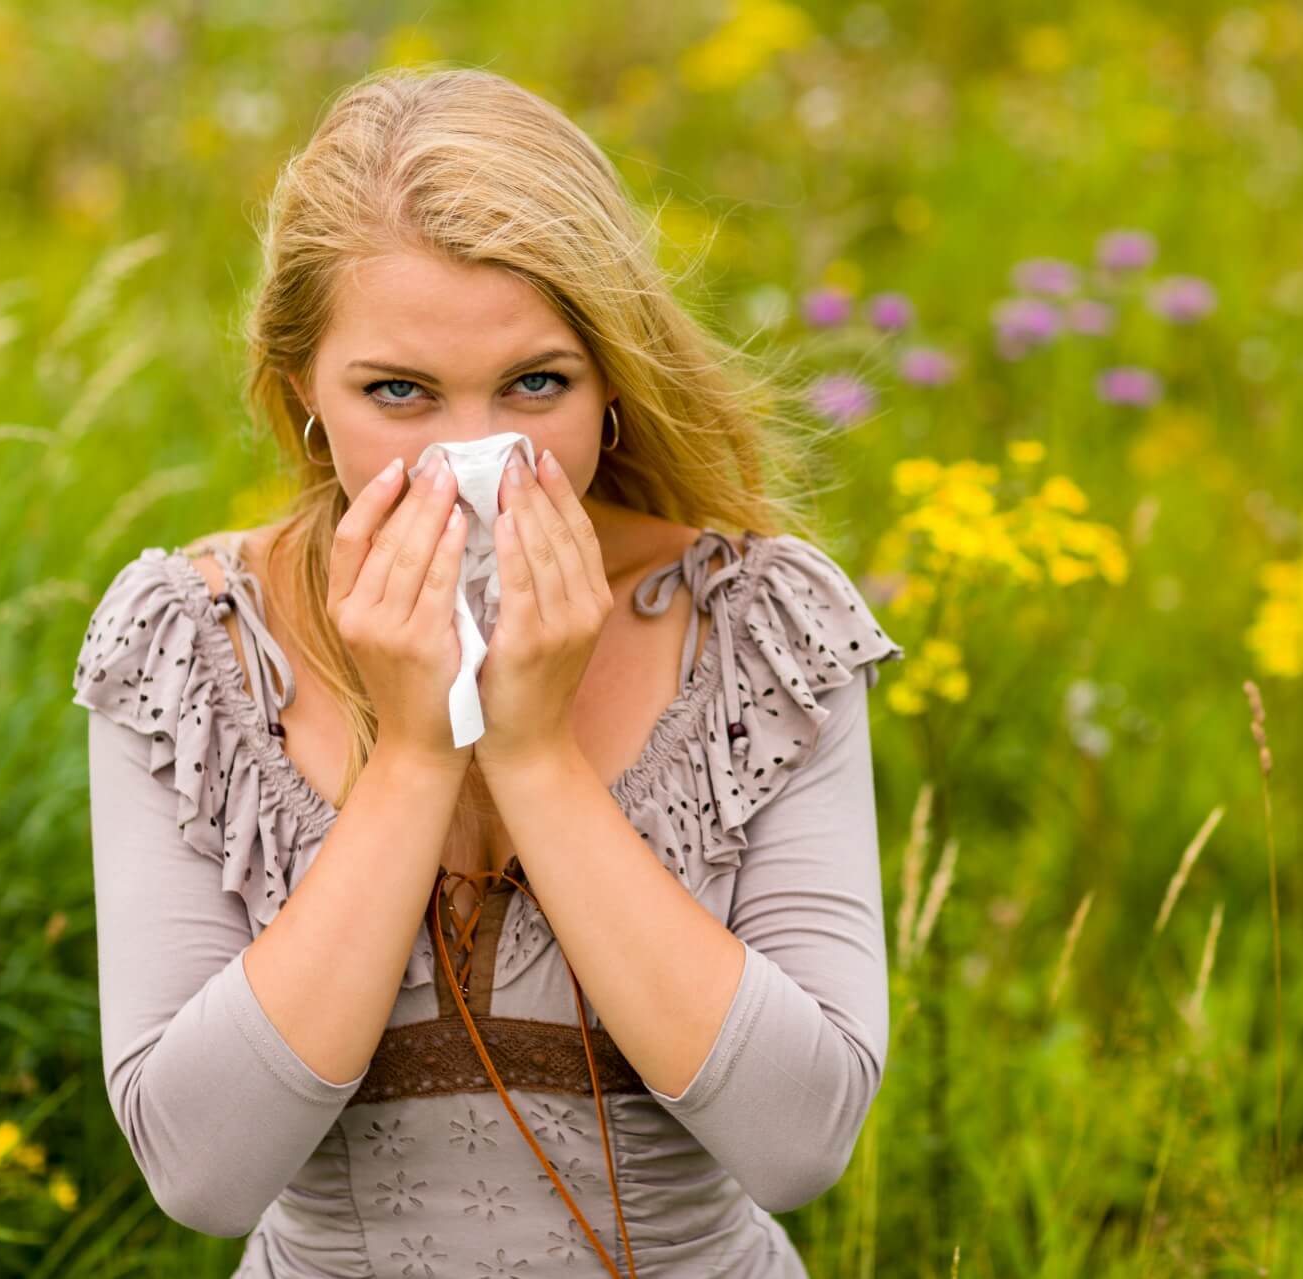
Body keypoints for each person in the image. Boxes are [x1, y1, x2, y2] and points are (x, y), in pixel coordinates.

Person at [69, 65, 904, 1278]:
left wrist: (533, 756)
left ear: (614, 377)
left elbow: (801, 1140)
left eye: (535, 384)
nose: (475, 458)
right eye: (399, 392)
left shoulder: (760, 625)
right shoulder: (193, 644)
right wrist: (413, 759)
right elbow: (201, 1174)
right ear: (305, 386)